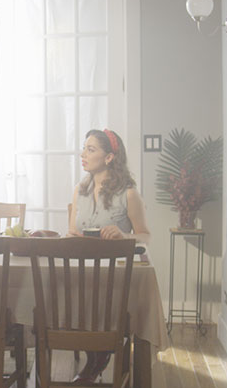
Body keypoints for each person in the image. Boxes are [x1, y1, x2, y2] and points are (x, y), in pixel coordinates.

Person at [68, 128, 151, 383]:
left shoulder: (128, 194)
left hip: (113, 280)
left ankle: (98, 356)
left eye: (91, 149)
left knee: (98, 301)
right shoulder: (79, 193)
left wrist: (123, 236)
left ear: (109, 158)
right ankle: (96, 356)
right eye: (84, 148)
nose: (83, 154)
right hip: (81, 275)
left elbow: (145, 236)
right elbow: (72, 233)